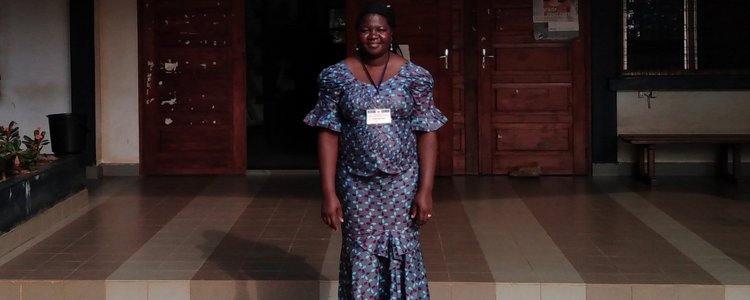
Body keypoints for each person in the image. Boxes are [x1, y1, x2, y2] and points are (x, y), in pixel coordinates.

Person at [303, 2, 447, 299]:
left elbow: (427, 132)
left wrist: (426, 189)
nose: (374, 35)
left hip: (402, 181)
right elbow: (328, 133)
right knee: (361, 249)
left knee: (402, 248)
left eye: (380, 29)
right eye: (367, 29)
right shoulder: (336, 76)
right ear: (356, 34)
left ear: (391, 32)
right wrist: (329, 193)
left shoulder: (415, 77)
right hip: (356, 183)